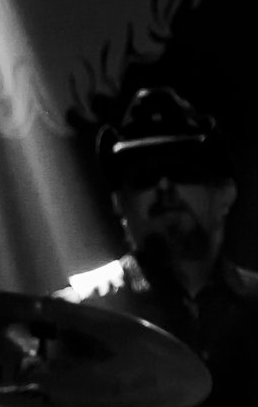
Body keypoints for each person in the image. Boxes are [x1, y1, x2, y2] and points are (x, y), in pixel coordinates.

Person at [58, 86, 258, 407]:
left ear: (225, 195)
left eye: (183, 170)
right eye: (144, 175)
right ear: (120, 204)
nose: (164, 187)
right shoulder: (79, 314)